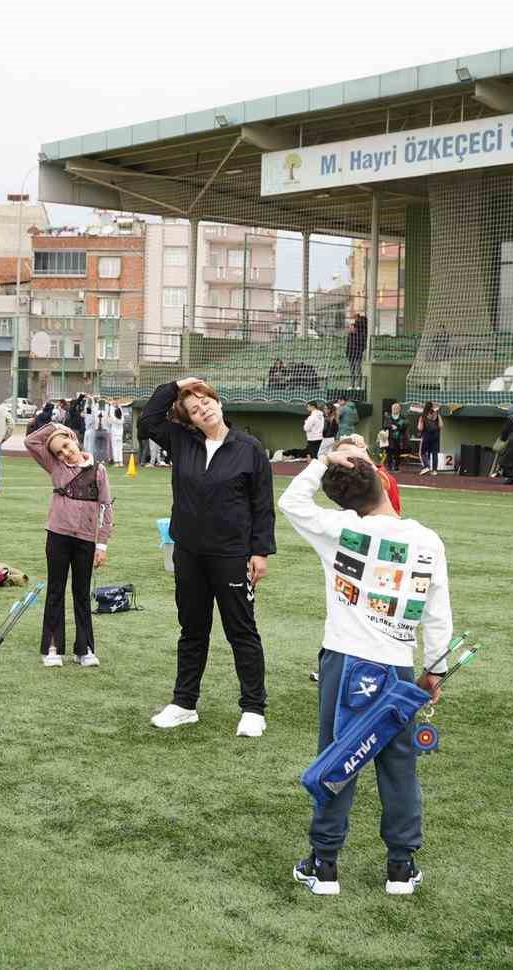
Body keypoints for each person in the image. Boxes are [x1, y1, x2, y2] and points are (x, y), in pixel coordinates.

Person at [278, 444, 453, 895]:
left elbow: (292, 502)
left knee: (339, 758)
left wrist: (321, 461)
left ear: (342, 500)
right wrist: (434, 672)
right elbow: (438, 615)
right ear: (381, 478)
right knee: (399, 767)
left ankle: (325, 864)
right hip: (397, 665)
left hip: (344, 661)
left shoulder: (338, 528)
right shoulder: (427, 539)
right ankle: (400, 867)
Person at [141, 378, 275, 736]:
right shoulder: (182, 442)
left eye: (207, 401)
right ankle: (184, 703)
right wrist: (178, 385)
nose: (205, 409)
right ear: (191, 421)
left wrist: (260, 551)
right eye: (196, 409)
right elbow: (148, 419)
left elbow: (262, 506)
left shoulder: (250, 448)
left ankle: (253, 708)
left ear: (219, 402)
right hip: (188, 553)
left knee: (241, 631)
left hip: (232, 555)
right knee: (192, 630)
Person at [25, 422, 114, 668]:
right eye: (59, 452)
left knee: (81, 594)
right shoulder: (56, 466)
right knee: (56, 590)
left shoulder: (98, 470)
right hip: (58, 536)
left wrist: (102, 544)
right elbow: (30, 442)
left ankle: (84, 649)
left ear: (74, 439)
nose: (65, 453)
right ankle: (52, 648)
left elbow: (106, 507)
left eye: (66, 445)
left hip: (86, 539)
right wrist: (54, 426)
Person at [495, 406, 513, 484]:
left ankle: (509, 478)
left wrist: (502, 439)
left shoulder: (510, 419)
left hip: (511, 441)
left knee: (506, 460)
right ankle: (512, 478)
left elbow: (504, 431)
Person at [382, 401, 408, 474]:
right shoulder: (388, 417)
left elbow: (405, 425)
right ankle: (389, 467)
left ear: (399, 409)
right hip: (389, 437)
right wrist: (391, 426)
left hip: (399, 438)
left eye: (396, 408)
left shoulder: (402, 417)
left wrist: (397, 427)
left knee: (397, 452)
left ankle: (396, 467)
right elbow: (385, 426)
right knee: (389, 452)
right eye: (393, 408)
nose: (395, 409)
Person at [417, 401, 441, 475]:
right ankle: (434, 470)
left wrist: (420, 422)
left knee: (422, 452)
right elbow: (441, 425)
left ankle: (426, 466)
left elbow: (420, 428)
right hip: (436, 435)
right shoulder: (436, 414)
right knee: (434, 453)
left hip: (426, 435)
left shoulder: (423, 416)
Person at [346, 313, 368, 389]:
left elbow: (362, 345)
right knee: (352, 371)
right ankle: (351, 385)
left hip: (357, 355)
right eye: (350, 328)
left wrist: (360, 351)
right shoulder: (349, 336)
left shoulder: (360, 336)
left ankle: (358, 385)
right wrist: (347, 354)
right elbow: (348, 346)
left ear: (355, 328)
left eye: (352, 328)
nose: (351, 329)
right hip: (351, 355)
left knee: (358, 370)